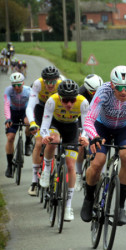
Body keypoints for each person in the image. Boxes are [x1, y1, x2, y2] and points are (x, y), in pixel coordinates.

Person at [80, 65, 126, 226]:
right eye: (119, 87)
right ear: (112, 84)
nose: (123, 91)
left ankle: (120, 207)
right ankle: (89, 198)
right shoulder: (103, 92)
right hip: (102, 128)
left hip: (124, 128)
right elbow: (89, 120)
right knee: (98, 161)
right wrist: (94, 137)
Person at [40, 79, 89, 221]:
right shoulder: (52, 101)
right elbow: (44, 125)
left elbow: (86, 126)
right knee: (53, 140)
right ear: (59, 97)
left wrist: (84, 137)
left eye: (72, 100)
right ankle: (47, 170)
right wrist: (45, 136)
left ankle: (68, 206)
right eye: (65, 100)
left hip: (71, 128)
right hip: (55, 124)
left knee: (70, 165)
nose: (69, 104)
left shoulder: (83, 102)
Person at [26, 66, 63, 196]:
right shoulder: (37, 84)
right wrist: (32, 123)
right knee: (38, 142)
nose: (50, 84)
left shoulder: (62, 84)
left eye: (53, 81)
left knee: (55, 139)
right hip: (41, 111)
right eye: (47, 81)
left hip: (56, 112)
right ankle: (34, 181)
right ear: (43, 80)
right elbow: (30, 106)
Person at [74, 74, 104, 191]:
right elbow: (77, 115)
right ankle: (79, 174)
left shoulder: (104, 92)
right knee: (81, 146)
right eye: (93, 92)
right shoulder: (79, 95)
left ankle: (97, 171)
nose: (96, 94)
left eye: (99, 91)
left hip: (96, 120)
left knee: (99, 144)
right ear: (87, 89)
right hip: (81, 119)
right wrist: (81, 132)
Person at [4, 72, 32, 177]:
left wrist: (29, 117)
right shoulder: (8, 91)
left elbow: (32, 105)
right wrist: (8, 119)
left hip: (25, 110)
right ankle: (9, 166)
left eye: (19, 85)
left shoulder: (28, 90)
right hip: (13, 112)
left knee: (28, 122)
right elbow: (6, 105)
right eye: (14, 85)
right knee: (10, 138)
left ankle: (28, 141)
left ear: (23, 83)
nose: (16, 87)